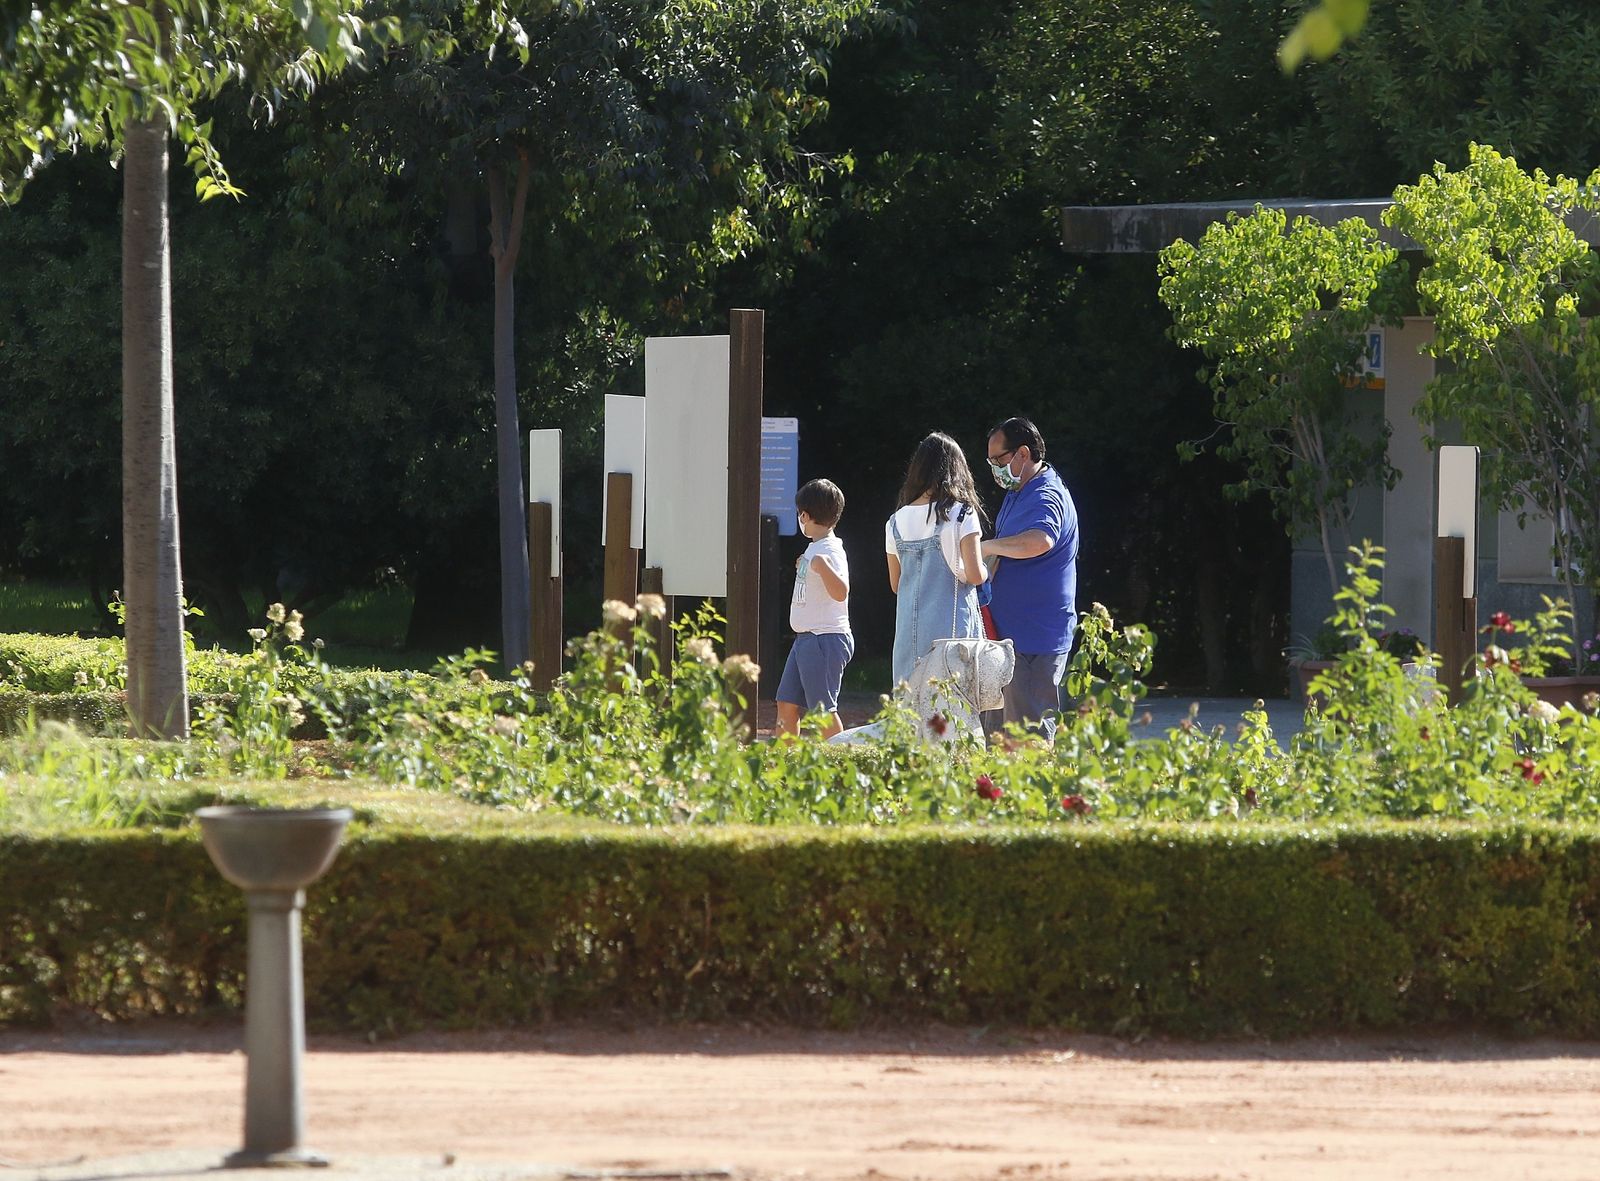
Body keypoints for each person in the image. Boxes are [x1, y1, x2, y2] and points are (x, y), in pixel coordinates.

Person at [980, 417, 1079, 741]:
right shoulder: (1019, 492)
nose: (995, 468)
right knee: (1004, 741)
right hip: (1010, 636)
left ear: (1023, 454)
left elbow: (1040, 541)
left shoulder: (1046, 494)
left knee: (1027, 742)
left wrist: (986, 547)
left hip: (1035, 639)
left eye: (999, 460)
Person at [886, 432, 988, 688]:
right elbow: (975, 575)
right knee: (951, 717)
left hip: (909, 639)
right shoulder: (961, 513)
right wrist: (985, 568)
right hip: (951, 637)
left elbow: (896, 584)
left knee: (910, 717)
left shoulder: (894, 521)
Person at [776, 479, 853, 739]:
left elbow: (841, 591)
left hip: (824, 638)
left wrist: (820, 565)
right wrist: (808, 564)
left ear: (805, 515)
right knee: (786, 703)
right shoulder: (816, 549)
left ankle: (842, 766)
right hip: (806, 639)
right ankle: (785, 770)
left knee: (822, 711)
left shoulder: (830, 551)